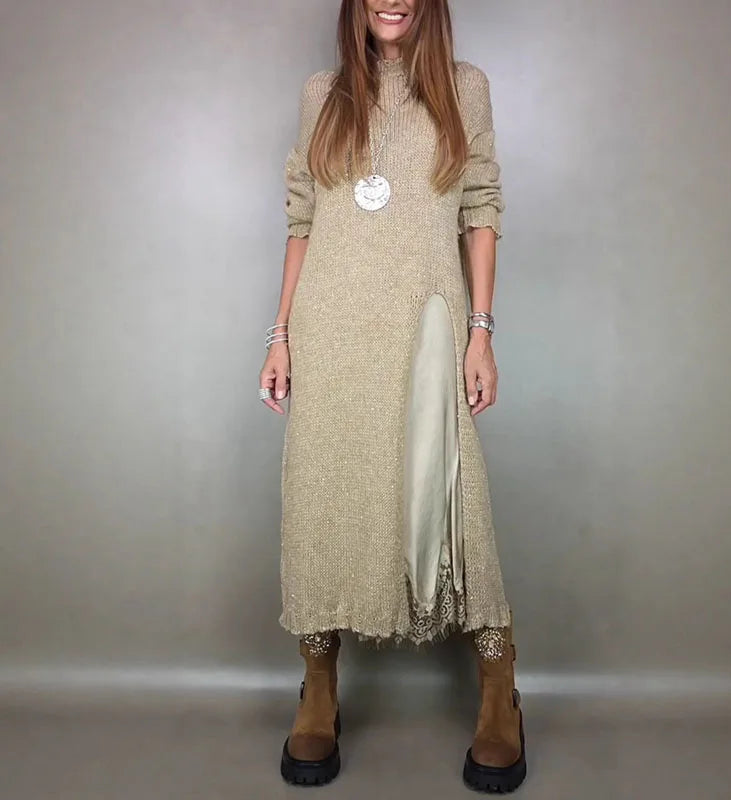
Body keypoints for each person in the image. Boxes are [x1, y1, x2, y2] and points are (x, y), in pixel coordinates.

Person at [259, 0, 526, 792]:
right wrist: (280, 335)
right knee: (323, 496)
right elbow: (302, 221)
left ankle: (499, 688)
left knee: (453, 500)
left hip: (426, 322)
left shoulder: (463, 88)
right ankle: (318, 686)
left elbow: (480, 208)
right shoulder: (322, 93)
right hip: (331, 325)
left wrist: (481, 332)